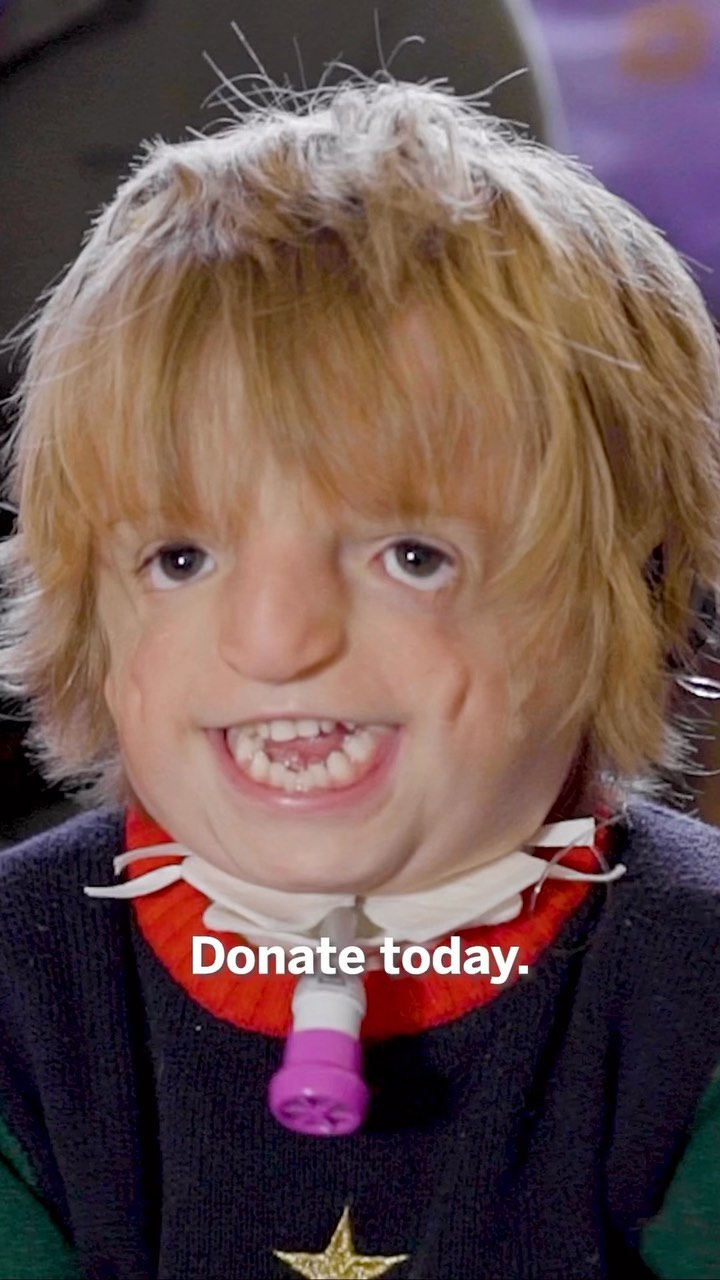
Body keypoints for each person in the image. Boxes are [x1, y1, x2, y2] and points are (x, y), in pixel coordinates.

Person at [0, 73, 719, 1280]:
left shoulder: (689, 993)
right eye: (181, 556)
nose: (274, 642)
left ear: (633, 590)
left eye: (412, 556)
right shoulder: (25, 990)